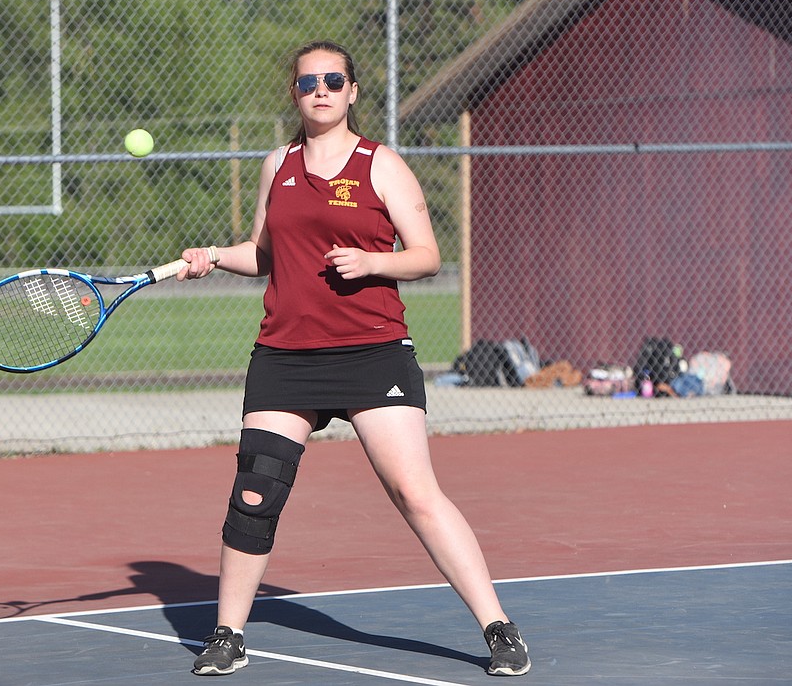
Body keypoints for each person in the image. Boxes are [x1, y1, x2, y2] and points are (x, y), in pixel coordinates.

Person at [176, 40, 531, 677]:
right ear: (295, 93)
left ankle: (498, 627)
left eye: (333, 80)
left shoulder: (380, 165)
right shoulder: (277, 164)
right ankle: (227, 634)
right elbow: (264, 252)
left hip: (372, 352)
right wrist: (211, 256)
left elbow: (427, 255)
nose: (321, 89)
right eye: (308, 81)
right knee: (255, 492)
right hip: (286, 355)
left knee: (415, 494)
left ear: (352, 92)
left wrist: (372, 262)